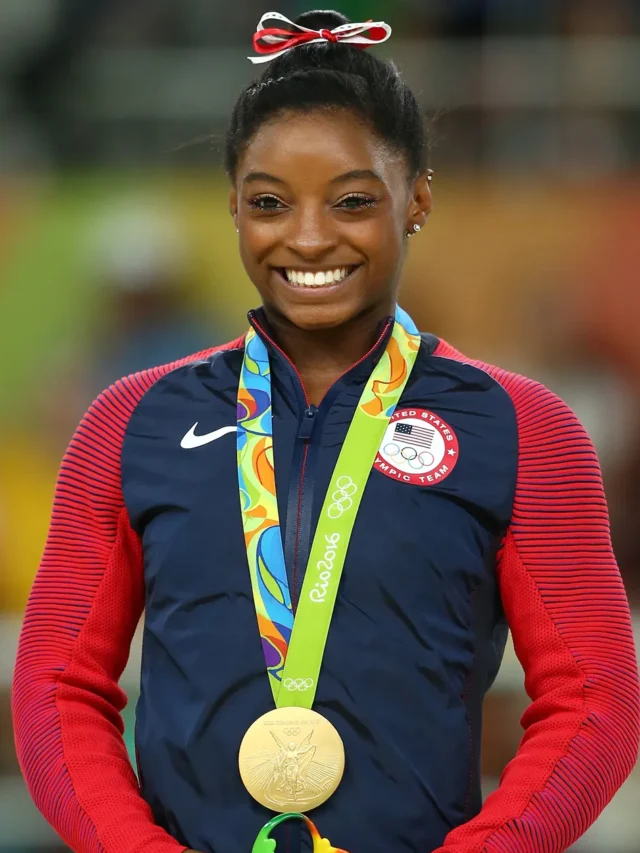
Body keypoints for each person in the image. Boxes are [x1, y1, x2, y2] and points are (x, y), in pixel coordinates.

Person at [12, 9, 640, 853]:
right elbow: (58, 684)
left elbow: (595, 694)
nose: (309, 237)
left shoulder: (523, 428)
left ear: (417, 196)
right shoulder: (131, 422)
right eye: (270, 202)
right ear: (233, 202)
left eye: (352, 200)